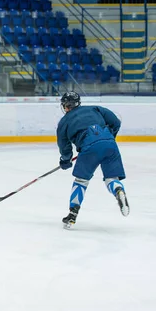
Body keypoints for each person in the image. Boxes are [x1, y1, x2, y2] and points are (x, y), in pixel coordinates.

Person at [56, 92, 129, 229]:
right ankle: (118, 190)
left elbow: (63, 145)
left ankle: (72, 214)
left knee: (81, 181)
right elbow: (115, 122)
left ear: (65, 106)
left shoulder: (64, 122)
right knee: (112, 178)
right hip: (109, 144)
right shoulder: (95, 108)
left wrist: (65, 160)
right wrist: (108, 138)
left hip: (89, 147)